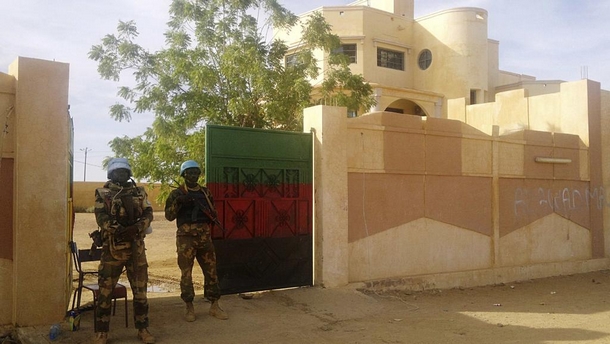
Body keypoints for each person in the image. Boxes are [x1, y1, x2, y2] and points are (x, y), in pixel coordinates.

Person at [93, 158, 155, 344]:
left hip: (136, 249)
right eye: (117, 171)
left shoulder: (139, 192)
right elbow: (101, 217)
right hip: (112, 250)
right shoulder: (102, 193)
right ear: (110, 174)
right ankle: (102, 333)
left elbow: (148, 213)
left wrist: (136, 228)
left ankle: (143, 329)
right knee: (105, 293)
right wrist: (118, 229)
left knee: (140, 292)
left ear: (129, 173)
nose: (121, 174)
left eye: (124, 171)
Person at [164, 159, 229, 322]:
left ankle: (214, 306)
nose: (193, 175)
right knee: (186, 274)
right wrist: (178, 203)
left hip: (204, 237)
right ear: (183, 174)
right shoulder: (176, 194)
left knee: (212, 271)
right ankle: (189, 307)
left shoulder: (206, 193)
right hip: (186, 239)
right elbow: (169, 216)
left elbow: (213, 212)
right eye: (189, 172)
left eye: (196, 172)